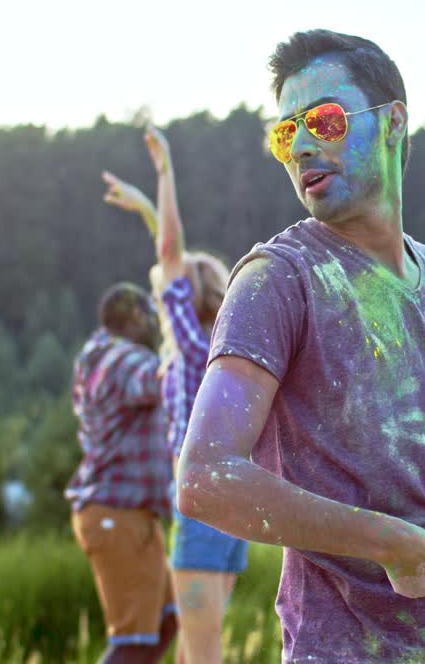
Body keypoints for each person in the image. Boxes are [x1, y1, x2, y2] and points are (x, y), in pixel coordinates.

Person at [175, 29, 425, 663]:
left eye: (325, 120)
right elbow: (205, 477)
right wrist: (384, 541)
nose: (302, 146)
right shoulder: (278, 280)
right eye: (285, 133)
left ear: (394, 122)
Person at [102, 125, 243, 664]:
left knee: (201, 656)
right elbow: (168, 260)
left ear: (188, 295)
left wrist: (163, 175)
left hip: (202, 507)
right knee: (192, 651)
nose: (164, 287)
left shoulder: (192, 346)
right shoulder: (229, 354)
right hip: (230, 513)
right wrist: (144, 208)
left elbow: (169, 252)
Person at [67, 279, 178, 663]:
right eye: (151, 317)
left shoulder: (99, 357)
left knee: (168, 622)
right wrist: (190, 342)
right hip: (117, 513)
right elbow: (163, 378)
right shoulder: (121, 359)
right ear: (133, 318)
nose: (156, 327)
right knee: (134, 641)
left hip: (129, 514)